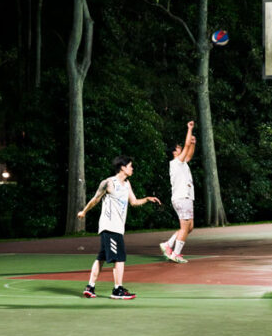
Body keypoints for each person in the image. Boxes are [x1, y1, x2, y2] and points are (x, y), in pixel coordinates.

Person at [78, 156, 161, 300]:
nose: (132, 168)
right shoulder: (108, 183)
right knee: (120, 258)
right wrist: (84, 211)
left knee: (101, 257)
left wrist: (147, 199)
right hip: (110, 226)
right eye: (130, 166)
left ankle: (90, 287)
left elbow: (133, 202)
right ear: (122, 167)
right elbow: (95, 199)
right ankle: (117, 290)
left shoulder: (127, 184)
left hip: (117, 227)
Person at [160, 120, 196, 263]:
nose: (182, 148)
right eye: (179, 148)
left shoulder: (181, 163)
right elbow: (186, 146)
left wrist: (193, 143)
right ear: (175, 152)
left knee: (189, 227)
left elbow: (189, 154)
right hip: (182, 197)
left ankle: (168, 244)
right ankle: (176, 253)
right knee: (185, 227)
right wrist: (189, 129)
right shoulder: (175, 162)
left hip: (184, 197)